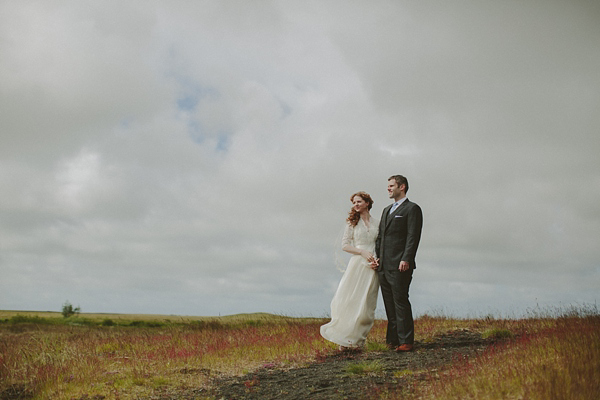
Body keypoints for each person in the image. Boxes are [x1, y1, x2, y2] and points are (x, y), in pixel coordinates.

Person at [320, 191, 380, 350]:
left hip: (372, 265)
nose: (355, 205)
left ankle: (359, 340)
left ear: (367, 203)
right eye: (354, 202)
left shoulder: (377, 223)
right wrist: (361, 252)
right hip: (357, 263)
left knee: (367, 303)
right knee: (350, 299)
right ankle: (344, 339)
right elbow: (344, 245)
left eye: (359, 201)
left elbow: (380, 244)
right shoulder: (352, 223)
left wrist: (376, 259)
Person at [372, 175, 423, 352]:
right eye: (388, 186)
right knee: (389, 304)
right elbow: (381, 237)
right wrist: (378, 258)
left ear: (402, 187)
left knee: (400, 302)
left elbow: (412, 237)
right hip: (384, 266)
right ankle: (392, 340)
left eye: (391, 186)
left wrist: (406, 258)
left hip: (401, 264)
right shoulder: (386, 210)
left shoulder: (412, 209)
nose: (388, 189)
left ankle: (406, 341)